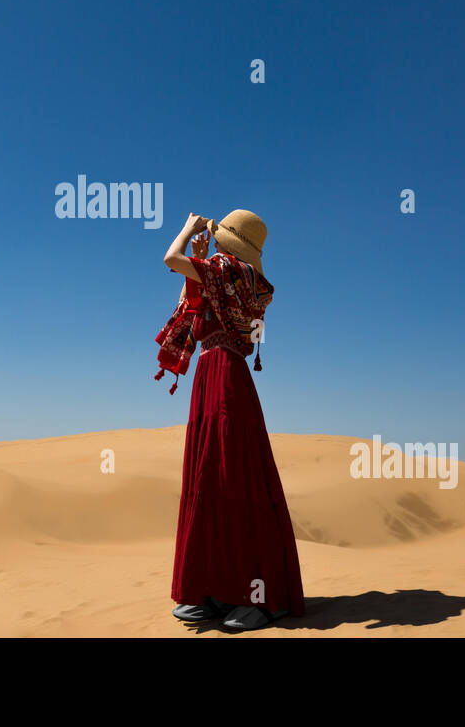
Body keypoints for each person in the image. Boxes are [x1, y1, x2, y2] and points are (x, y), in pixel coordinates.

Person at [160, 210, 305, 630]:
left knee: (225, 476)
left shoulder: (225, 270)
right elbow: (204, 308)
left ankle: (259, 598)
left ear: (226, 241)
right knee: (218, 476)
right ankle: (214, 591)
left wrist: (187, 231)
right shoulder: (246, 281)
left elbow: (170, 259)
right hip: (225, 373)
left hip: (219, 374)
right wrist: (201, 263)